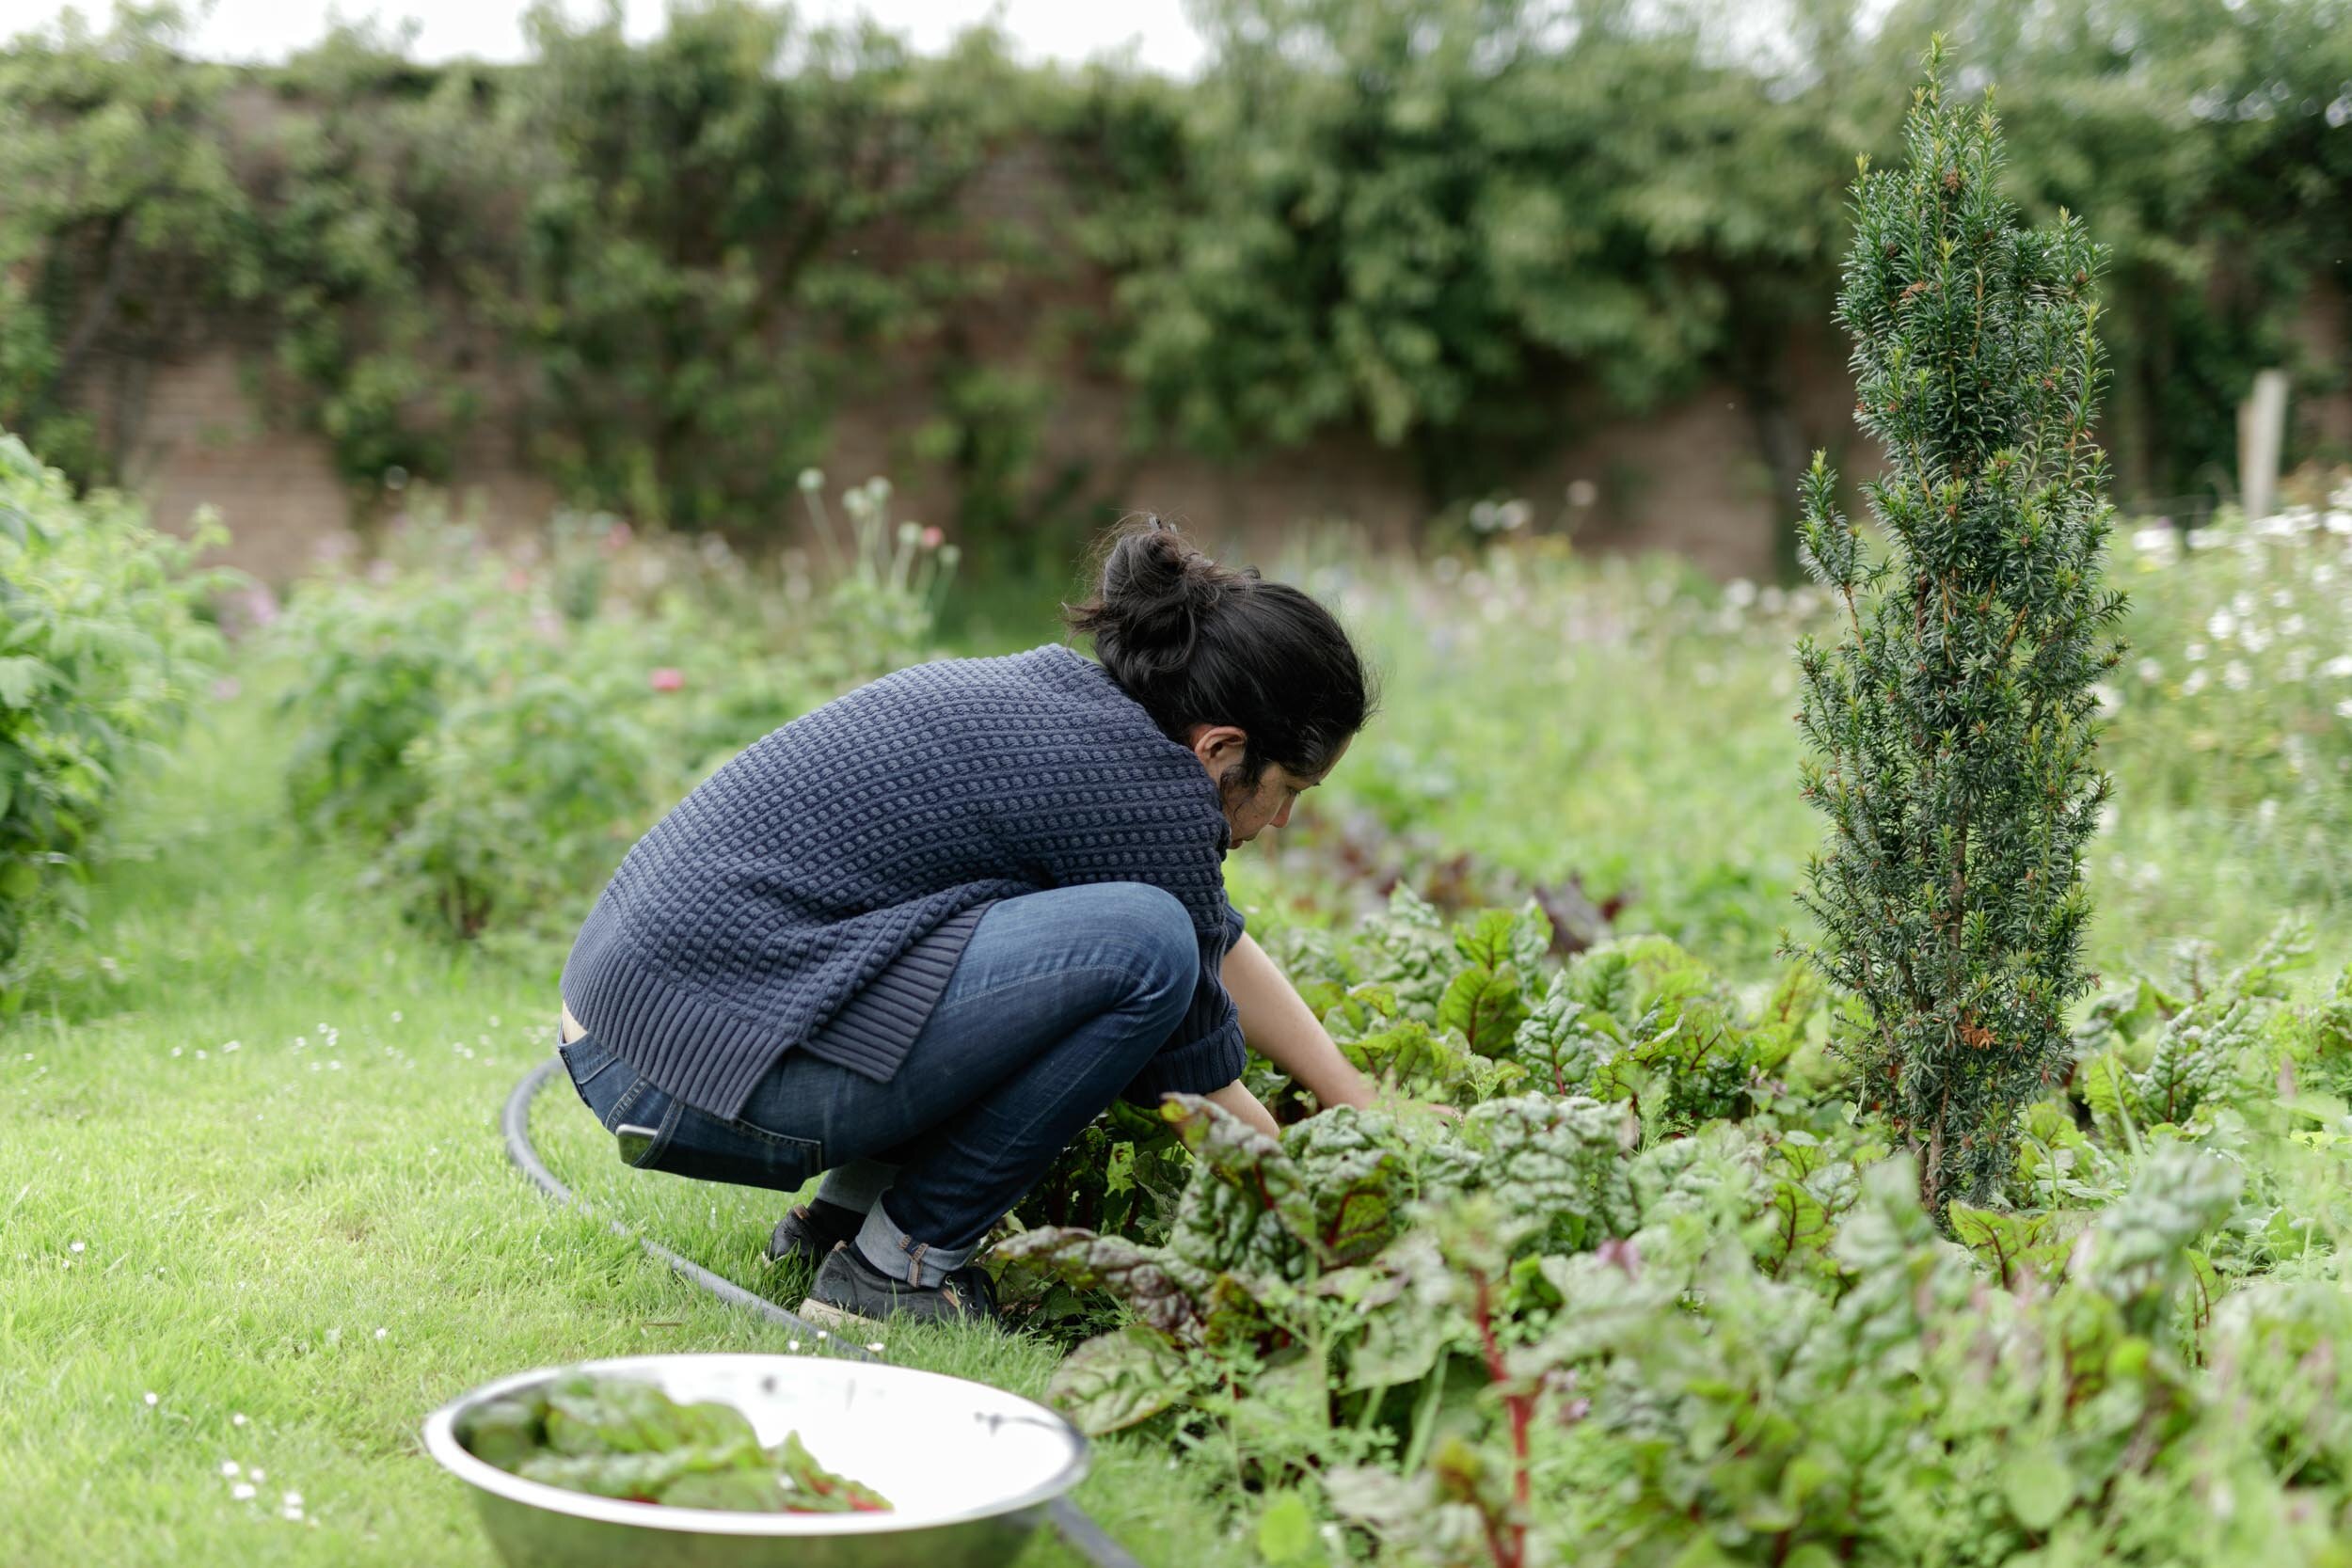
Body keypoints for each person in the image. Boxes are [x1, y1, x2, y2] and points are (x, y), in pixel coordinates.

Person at [552, 515, 1385, 1332]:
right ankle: (895, 1271)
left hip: (637, 1034)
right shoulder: (1149, 796)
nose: (1280, 821)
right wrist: (1335, 1217)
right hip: (679, 1076)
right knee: (1145, 948)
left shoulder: (1076, 714)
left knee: (1105, 944)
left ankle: (837, 1230)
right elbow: (1198, 1071)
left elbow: (1218, 939)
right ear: (1220, 749)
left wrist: (1354, 1099)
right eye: (1291, 791)